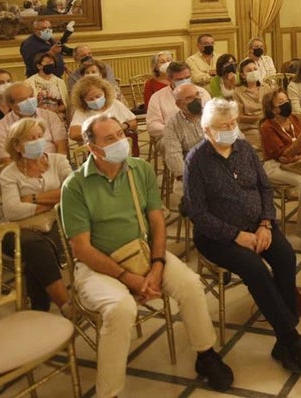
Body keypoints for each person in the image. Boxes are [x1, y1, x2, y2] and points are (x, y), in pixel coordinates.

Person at [61, 114, 233, 395]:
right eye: (110, 139)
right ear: (93, 149)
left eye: (120, 134)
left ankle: (206, 354)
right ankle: (109, 392)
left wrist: (156, 265)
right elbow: (82, 248)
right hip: (98, 266)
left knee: (190, 284)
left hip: (140, 253)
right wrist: (127, 278)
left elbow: (156, 221)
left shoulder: (139, 170)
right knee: (120, 308)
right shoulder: (76, 185)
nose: (120, 141)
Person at [184, 99, 301, 374]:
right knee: (255, 269)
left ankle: (283, 340)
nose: (231, 129)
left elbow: (265, 188)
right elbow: (197, 212)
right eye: (224, 126)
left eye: (233, 123)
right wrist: (236, 235)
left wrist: (266, 224)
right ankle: (291, 339)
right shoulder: (196, 161)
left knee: (284, 257)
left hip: (258, 225)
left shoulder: (244, 148)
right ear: (207, 130)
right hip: (217, 236)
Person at [0, 117, 73, 313]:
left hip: (54, 221)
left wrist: (30, 198)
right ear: (17, 145)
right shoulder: (8, 174)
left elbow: (73, 193)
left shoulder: (58, 160)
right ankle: (65, 304)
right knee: (35, 246)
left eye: (40, 136)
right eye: (31, 138)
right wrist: (54, 201)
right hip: (16, 228)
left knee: (36, 250)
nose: (38, 141)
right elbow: (12, 211)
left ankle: (41, 308)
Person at [0, 83, 66, 166]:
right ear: (10, 105)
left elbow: (62, 148)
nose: (29, 101)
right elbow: (6, 162)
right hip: (21, 174)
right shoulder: (0, 128)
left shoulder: (50, 116)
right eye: (23, 100)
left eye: (31, 96)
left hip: (53, 167)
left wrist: (55, 168)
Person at [259, 89, 301, 189]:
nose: (286, 104)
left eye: (287, 100)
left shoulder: (294, 118)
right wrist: (300, 139)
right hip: (275, 166)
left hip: (298, 162)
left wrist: (299, 157)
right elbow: (282, 155)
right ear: (273, 109)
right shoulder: (267, 127)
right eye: (281, 102)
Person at [146, 62, 211, 143]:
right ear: (169, 79)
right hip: (170, 135)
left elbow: (212, 117)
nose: (185, 81)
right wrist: (175, 130)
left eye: (187, 77)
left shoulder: (202, 92)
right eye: (179, 79)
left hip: (200, 132)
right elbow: (152, 126)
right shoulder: (157, 97)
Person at [162, 84, 207, 201]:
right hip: (193, 170)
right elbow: (173, 156)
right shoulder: (172, 125)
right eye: (189, 98)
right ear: (179, 104)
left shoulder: (212, 115)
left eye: (197, 95)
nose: (196, 100)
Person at [68, 76, 137, 143]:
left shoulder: (115, 104)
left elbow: (133, 122)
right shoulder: (81, 111)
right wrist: (100, 133)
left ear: (105, 92)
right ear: (83, 100)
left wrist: (122, 126)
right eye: (90, 99)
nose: (95, 100)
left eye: (98, 96)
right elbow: (73, 134)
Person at [233, 58, 270, 147]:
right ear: (242, 75)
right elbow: (239, 117)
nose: (253, 72)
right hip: (250, 128)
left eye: (255, 69)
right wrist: (258, 117)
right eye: (249, 70)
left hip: (268, 124)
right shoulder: (238, 92)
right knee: (262, 142)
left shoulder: (266, 87)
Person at [25, 51, 69, 118]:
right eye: (48, 63)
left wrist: (55, 110)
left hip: (57, 116)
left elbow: (65, 104)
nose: (50, 65)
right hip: (37, 117)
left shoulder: (60, 82)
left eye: (52, 63)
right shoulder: (28, 82)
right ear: (39, 66)